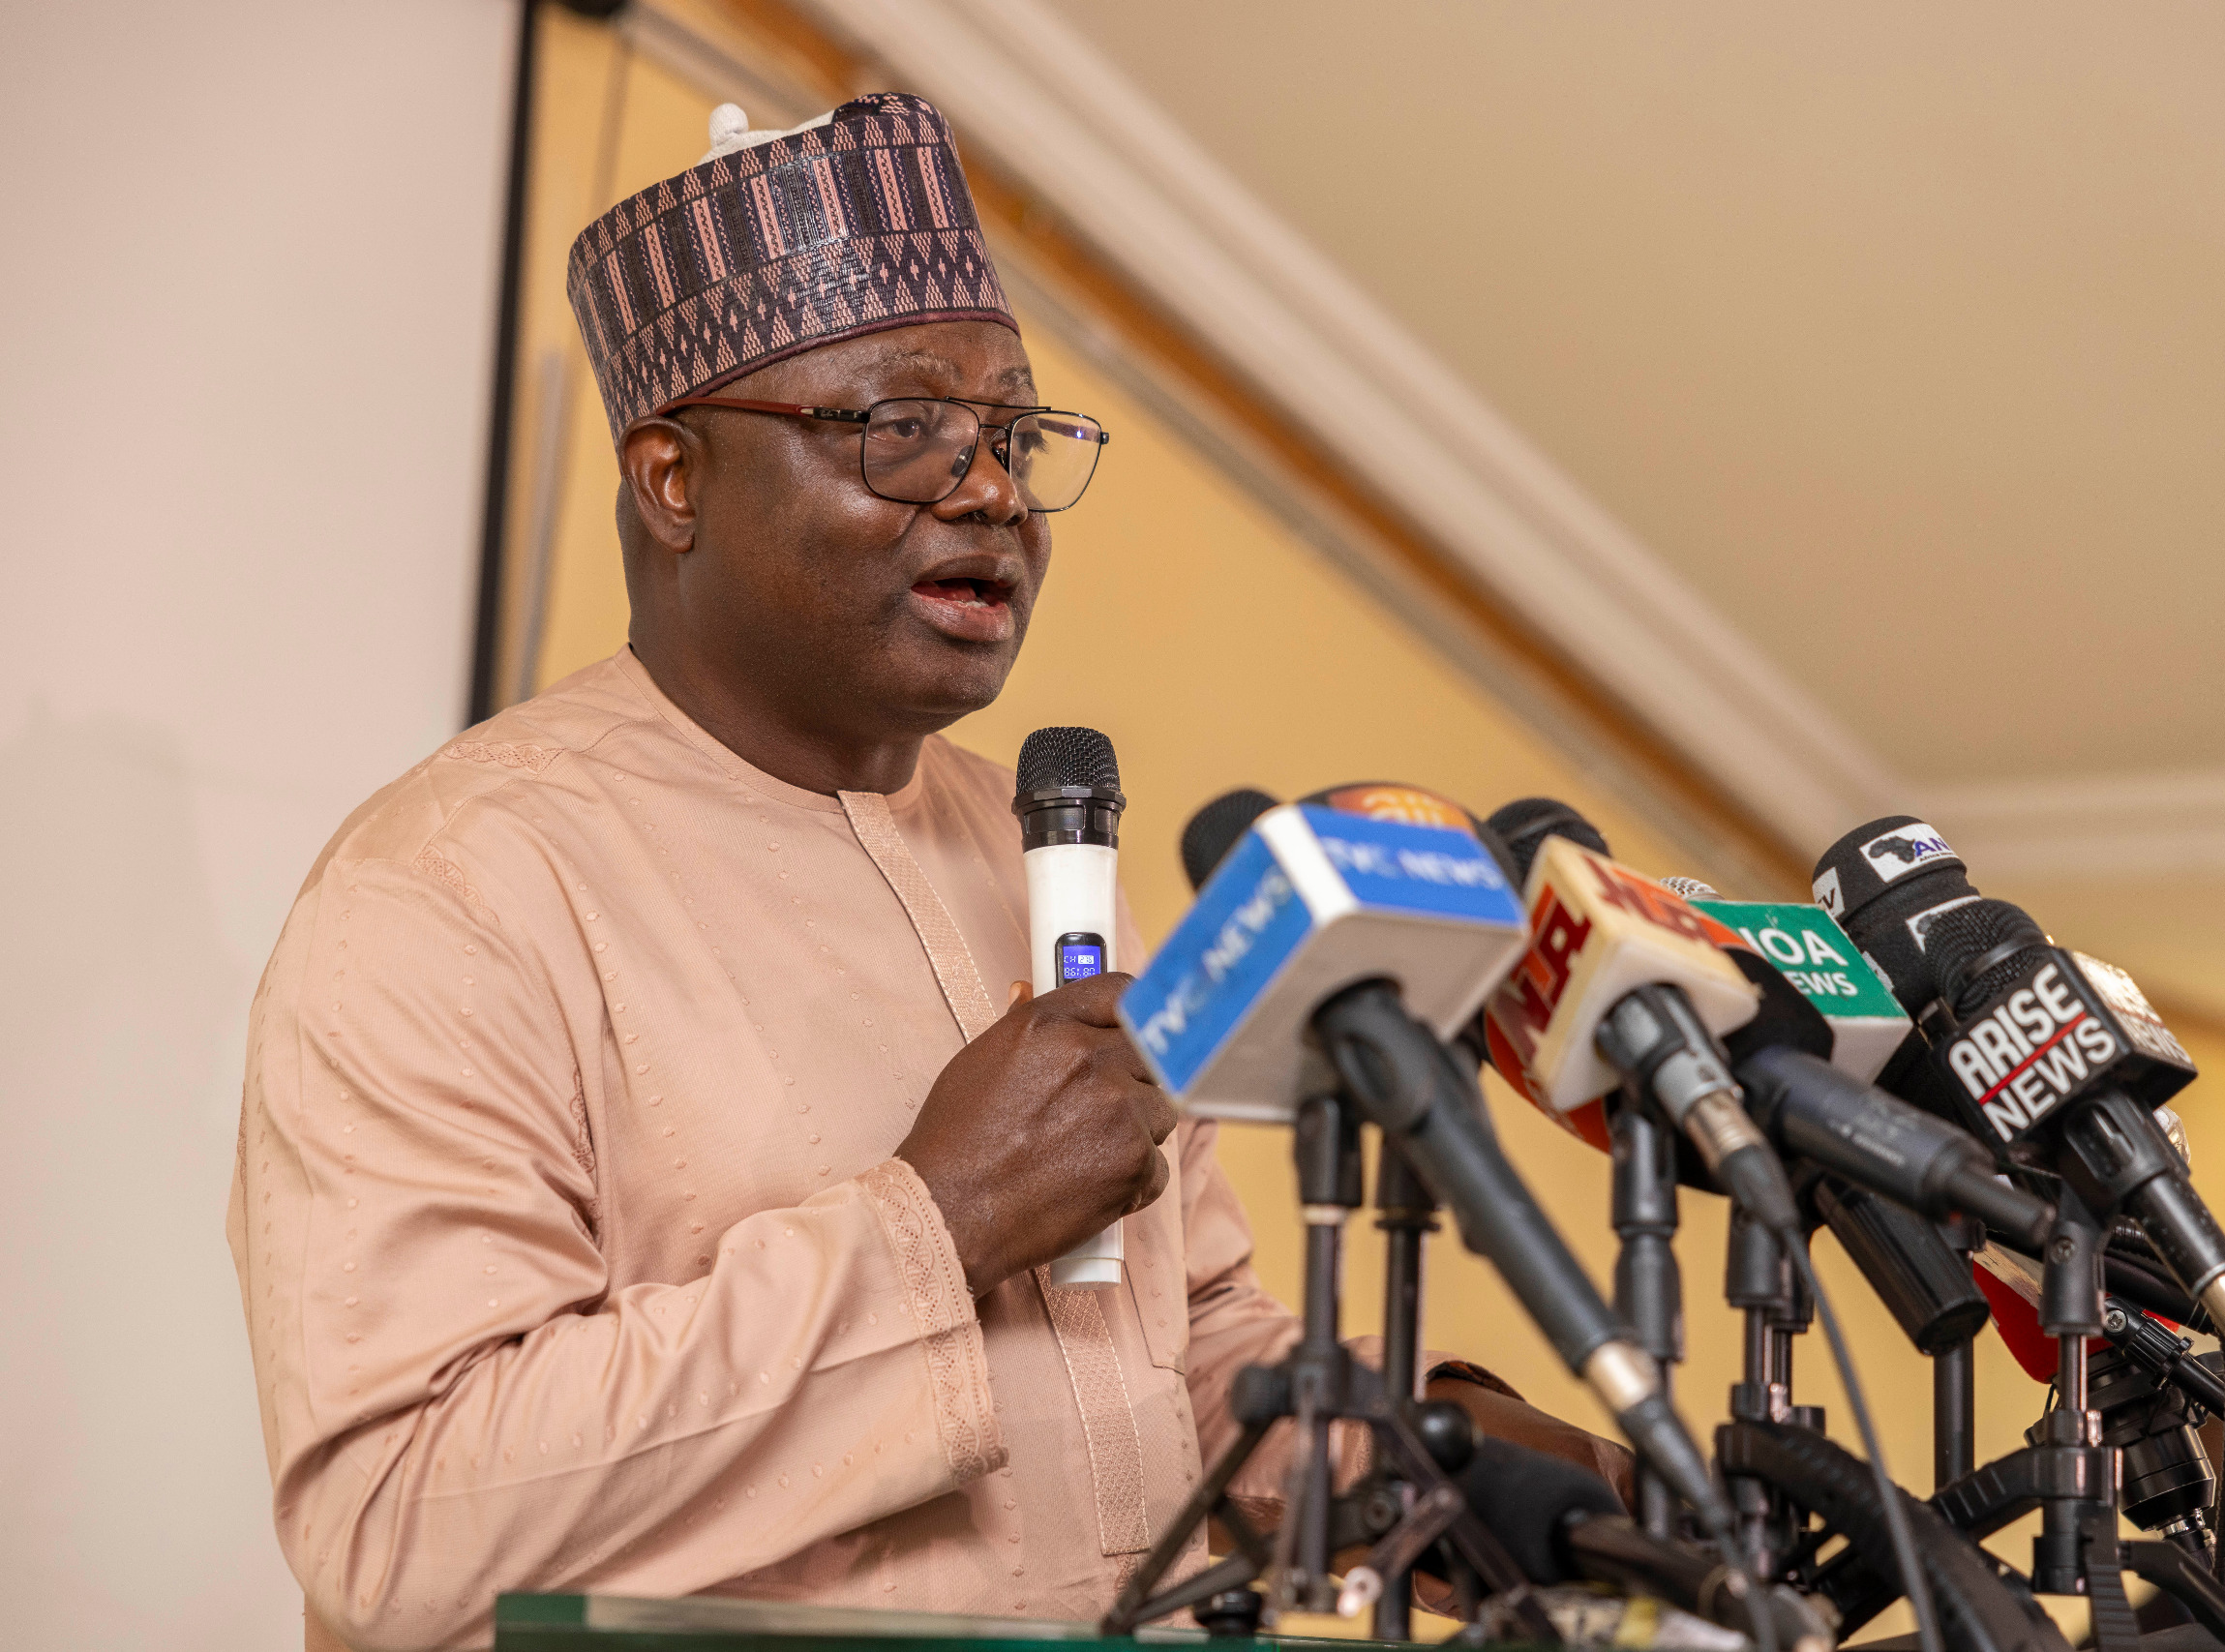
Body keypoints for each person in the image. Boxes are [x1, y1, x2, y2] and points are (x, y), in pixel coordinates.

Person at [230, 93, 1627, 1652]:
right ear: (674, 480)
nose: (991, 493)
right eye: (900, 431)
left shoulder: (1042, 853)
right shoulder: (452, 890)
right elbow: (399, 1526)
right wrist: (937, 1221)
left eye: (1014, 439)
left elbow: (1177, 1353)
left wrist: (1446, 1458)